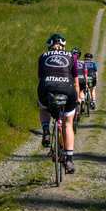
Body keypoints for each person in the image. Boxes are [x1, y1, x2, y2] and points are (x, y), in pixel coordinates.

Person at [38, 33, 79, 174]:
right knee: (68, 122)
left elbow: (40, 76)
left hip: (47, 87)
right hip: (67, 89)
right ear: (63, 45)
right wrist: (78, 96)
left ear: (49, 45)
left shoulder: (43, 56)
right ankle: (69, 159)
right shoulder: (71, 56)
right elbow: (75, 78)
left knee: (43, 108)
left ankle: (46, 131)